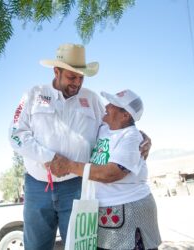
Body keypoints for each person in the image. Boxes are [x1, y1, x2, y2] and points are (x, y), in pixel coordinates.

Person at [9, 44, 151, 250]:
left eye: (81, 77)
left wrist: (142, 136)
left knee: (80, 246)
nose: (77, 83)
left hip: (78, 186)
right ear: (56, 71)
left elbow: (116, 125)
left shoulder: (91, 99)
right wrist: (50, 158)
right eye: (71, 77)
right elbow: (16, 135)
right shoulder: (33, 95)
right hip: (38, 187)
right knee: (36, 246)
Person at [49, 89, 161, 250]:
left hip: (130, 210)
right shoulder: (104, 129)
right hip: (108, 211)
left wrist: (69, 166)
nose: (107, 106)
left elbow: (111, 173)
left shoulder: (131, 137)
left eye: (114, 105)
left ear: (125, 116)